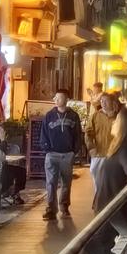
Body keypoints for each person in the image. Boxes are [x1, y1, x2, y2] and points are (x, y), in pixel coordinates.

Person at [40, 90, 83, 221]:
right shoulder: (49, 116)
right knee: (51, 182)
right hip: (52, 154)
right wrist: (46, 149)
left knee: (66, 182)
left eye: (59, 97)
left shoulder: (73, 116)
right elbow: (43, 133)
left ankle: (64, 206)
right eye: (55, 97)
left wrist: (74, 151)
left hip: (67, 154)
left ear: (66, 99)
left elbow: (78, 135)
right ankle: (51, 209)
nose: (56, 100)